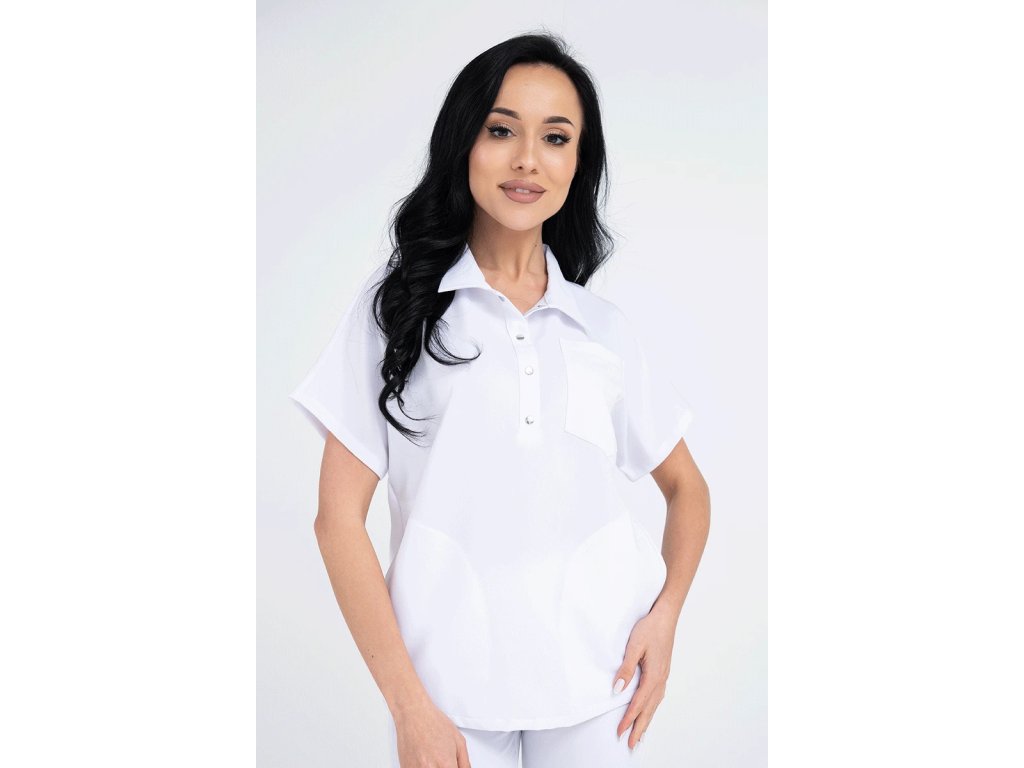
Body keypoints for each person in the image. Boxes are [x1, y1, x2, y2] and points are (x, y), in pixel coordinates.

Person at [290, 32, 710, 768]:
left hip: (601, 685)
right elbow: (337, 521)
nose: (527, 160)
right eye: (501, 130)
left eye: (556, 137)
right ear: (464, 143)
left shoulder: (601, 328)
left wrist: (666, 618)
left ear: (578, 162)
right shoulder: (399, 312)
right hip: (445, 697)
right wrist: (408, 705)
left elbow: (688, 489)